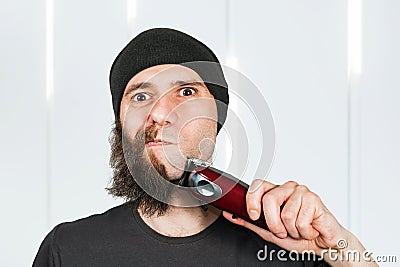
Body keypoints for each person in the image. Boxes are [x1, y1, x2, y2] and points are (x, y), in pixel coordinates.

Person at [33, 28, 376, 266]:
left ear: (217, 118)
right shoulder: (68, 251)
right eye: (140, 96)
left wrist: (338, 249)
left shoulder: (286, 248)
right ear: (121, 126)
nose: (161, 113)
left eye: (185, 92)